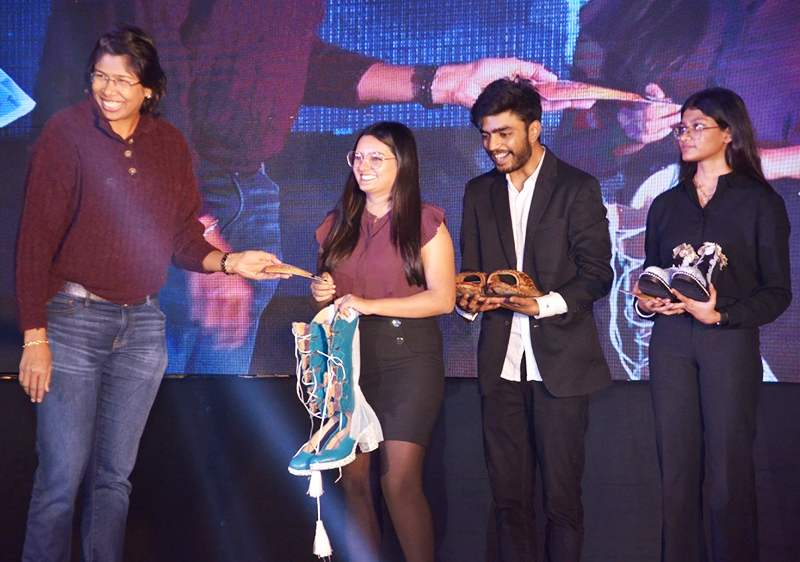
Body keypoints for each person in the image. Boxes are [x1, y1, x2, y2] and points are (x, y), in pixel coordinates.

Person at [32, 0, 593, 375]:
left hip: (246, 188)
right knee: (144, 405)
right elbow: (150, 66)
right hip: (156, 194)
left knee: (210, 407)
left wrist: (442, 83)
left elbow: (289, 61)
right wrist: (199, 231)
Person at [14, 25, 287, 561]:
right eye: (100, 76)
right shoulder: (65, 134)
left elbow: (183, 237)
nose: (108, 90)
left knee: (113, 479)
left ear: (149, 89)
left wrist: (231, 262)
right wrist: (34, 337)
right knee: (60, 478)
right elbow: (33, 243)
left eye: (123, 80)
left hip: (142, 327)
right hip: (73, 320)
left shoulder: (169, 144)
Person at [552, 0, 800, 379]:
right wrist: (628, 131)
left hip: (768, 271)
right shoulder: (626, 14)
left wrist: (741, 164)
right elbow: (568, 155)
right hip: (656, 271)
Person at [458, 77, 613, 561]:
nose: (493, 146)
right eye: (486, 135)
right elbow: (471, 274)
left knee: (562, 504)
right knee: (508, 503)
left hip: (560, 368)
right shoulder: (478, 192)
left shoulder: (577, 188)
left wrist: (542, 304)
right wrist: (467, 303)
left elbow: (597, 274)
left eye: (504, 133)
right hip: (500, 368)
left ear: (534, 129)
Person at [634, 88, 791, 562]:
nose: (685, 135)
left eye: (697, 126)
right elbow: (652, 275)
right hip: (670, 344)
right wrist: (649, 304)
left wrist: (721, 314)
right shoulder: (665, 204)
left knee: (728, 473)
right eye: (681, 127)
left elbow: (777, 292)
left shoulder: (760, 202)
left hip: (728, 342)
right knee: (676, 473)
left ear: (728, 133)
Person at [310, 121, 455, 561]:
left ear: (402, 163)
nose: (364, 166)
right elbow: (329, 292)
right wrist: (321, 291)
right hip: (347, 359)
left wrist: (369, 304)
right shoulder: (336, 224)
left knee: (398, 481)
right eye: (357, 157)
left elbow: (443, 299)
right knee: (353, 482)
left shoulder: (425, 221)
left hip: (408, 358)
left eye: (376, 157)